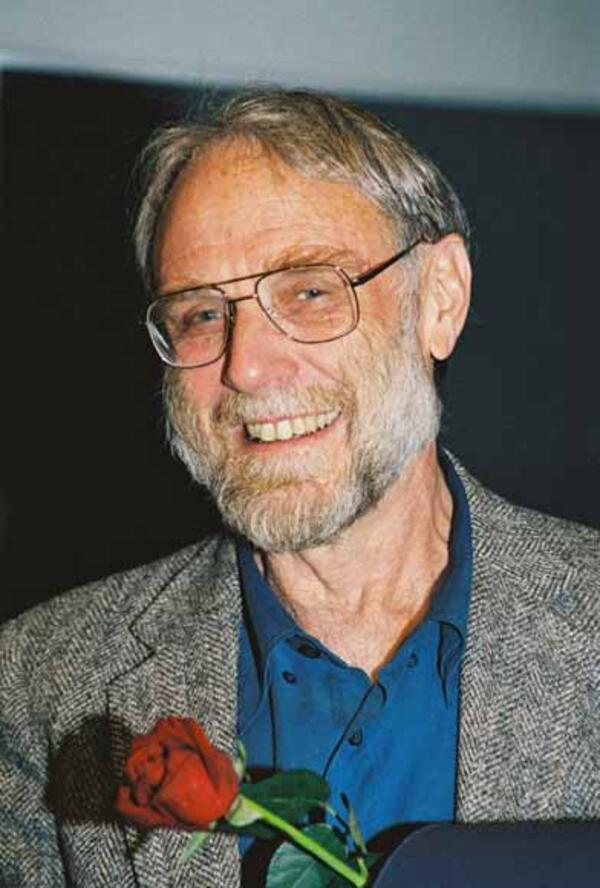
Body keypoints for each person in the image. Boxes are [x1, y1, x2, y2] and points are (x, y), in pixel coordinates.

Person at [1, 89, 599, 888]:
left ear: (440, 300)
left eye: (311, 291)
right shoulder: (39, 686)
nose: (246, 366)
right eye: (202, 314)